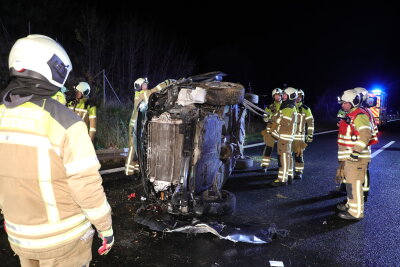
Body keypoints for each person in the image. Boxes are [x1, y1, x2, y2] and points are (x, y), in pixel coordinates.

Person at [0, 34, 113, 267]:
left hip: (20, 236)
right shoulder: (64, 121)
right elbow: (85, 183)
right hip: (63, 241)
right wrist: (105, 227)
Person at [335, 89, 374, 220]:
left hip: (356, 158)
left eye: (345, 103)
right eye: (343, 103)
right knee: (349, 184)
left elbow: (366, 135)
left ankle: (356, 212)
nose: (342, 105)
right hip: (349, 157)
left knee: (355, 184)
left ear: (353, 103)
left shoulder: (360, 116)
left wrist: (356, 152)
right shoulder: (351, 115)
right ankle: (350, 205)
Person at [125, 78, 176, 175]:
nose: (146, 86)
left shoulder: (143, 95)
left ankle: (137, 170)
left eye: (146, 84)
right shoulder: (141, 95)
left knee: (138, 149)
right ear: (139, 86)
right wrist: (165, 83)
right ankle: (128, 172)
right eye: (144, 84)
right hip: (134, 127)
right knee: (133, 149)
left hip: (138, 126)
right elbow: (154, 91)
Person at [270, 87, 298, 186]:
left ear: (291, 96)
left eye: (285, 95)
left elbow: (284, 121)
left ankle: (282, 179)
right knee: (288, 157)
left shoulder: (288, 108)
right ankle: (289, 176)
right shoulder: (289, 107)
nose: (283, 96)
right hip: (287, 137)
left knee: (284, 158)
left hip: (284, 137)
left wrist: (274, 119)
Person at [292, 89, 314, 180]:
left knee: (298, 155)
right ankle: (286, 170)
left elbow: (310, 123)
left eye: (300, 97)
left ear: (302, 98)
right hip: (288, 135)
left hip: (299, 136)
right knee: (286, 154)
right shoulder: (289, 107)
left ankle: (298, 171)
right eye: (296, 96)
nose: (298, 98)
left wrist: (310, 135)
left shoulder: (306, 109)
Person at [260, 88, 282, 171]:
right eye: (276, 95)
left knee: (281, 149)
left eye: (279, 95)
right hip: (271, 129)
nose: (278, 97)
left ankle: (281, 165)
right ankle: (264, 166)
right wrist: (267, 117)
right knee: (268, 147)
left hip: (281, 130)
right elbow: (265, 119)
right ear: (274, 96)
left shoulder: (285, 107)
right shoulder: (269, 107)